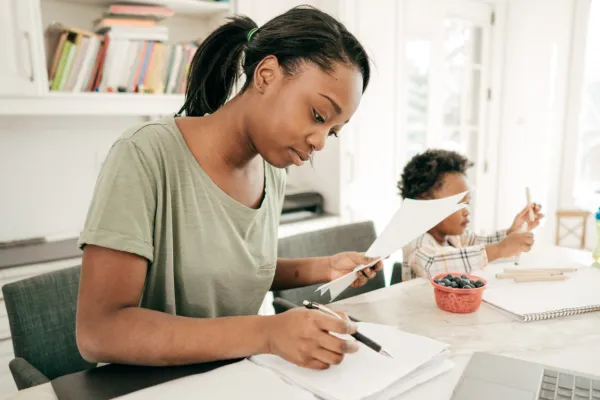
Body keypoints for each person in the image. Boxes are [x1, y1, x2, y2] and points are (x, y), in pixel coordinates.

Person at [75, 6, 381, 371]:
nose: (320, 142)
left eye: (332, 130)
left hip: (234, 377)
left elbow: (228, 270)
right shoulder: (145, 154)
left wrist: (322, 267)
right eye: (318, 115)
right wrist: (267, 333)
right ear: (266, 75)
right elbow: (99, 332)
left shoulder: (273, 172)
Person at [397, 149, 544, 280]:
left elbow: (481, 243)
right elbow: (433, 264)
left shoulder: (454, 237)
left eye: (467, 202)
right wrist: (500, 248)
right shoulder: (415, 241)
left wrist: (513, 232)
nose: (467, 210)